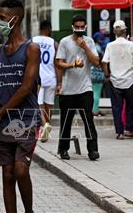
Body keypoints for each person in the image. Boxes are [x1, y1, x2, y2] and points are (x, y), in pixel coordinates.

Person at [0, 0, 41, 213]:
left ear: (15, 19)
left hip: (26, 119)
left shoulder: (31, 49)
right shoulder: (1, 50)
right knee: (7, 174)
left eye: (2, 18)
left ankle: (29, 211)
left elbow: (25, 88)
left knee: (21, 171)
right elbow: (1, 86)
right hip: (4, 122)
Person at [55, 15, 101, 159]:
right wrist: (72, 65)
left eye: (82, 27)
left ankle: (92, 150)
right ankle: (63, 149)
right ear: (73, 27)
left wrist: (85, 47)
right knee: (66, 121)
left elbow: (96, 62)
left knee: (88, 120)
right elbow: (58, 63)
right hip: (68, 89)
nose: (80, 29)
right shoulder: (65, 42)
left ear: (85, 27)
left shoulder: (89, 41)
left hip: (85, 88)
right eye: (77, 27)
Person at [102, 20, 133, 140]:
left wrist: (107, 76)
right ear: (125, 31)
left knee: (116, 107)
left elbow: (104, 62)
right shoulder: (132, 45)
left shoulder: (110, 45)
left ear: (114, 32)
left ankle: (119, 132)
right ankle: (129, 130)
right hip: (130, 80)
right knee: (130, 106)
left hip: (115, 81)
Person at [32, 20, 57, 143]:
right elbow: (57, 64)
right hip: (51, 76)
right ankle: (47, 124)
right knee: (49, 104)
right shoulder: (54, 43)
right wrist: (60, 82)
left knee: (38, 104)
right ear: (49, 29)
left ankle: (43, 127)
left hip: (38, 77)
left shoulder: (33, 40)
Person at [91, 31, 109, 116]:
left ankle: (92, 109)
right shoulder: (98, 49)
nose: (103, 40)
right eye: (101, 38)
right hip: (98, 73)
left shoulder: (91, 47)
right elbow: (101, 61)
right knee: (97, 93)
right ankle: (95, 111)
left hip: (91, 73)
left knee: (92, 93)